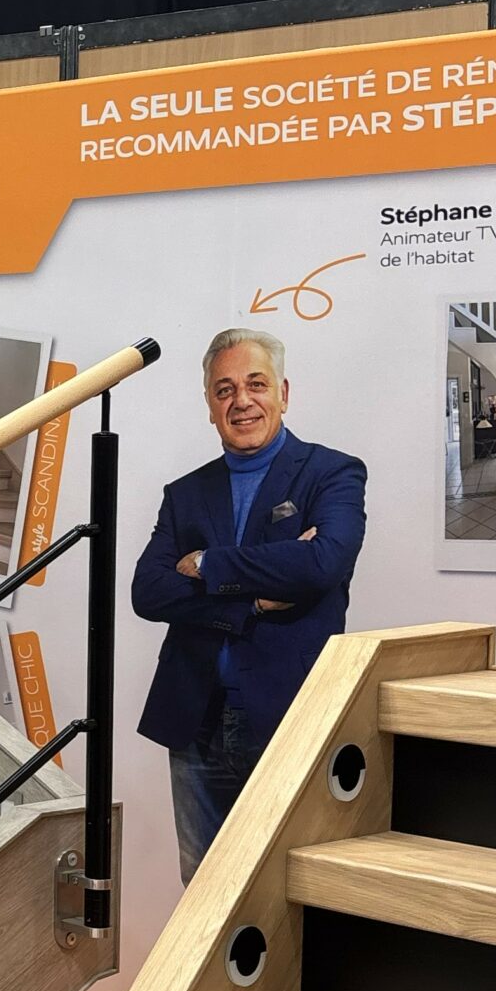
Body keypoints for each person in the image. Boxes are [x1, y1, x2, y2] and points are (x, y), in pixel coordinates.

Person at [132, 327, 367, 879]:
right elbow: (149, 591)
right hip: (195, 719)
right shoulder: (184, 493)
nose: (241, 401)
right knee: (203, 883)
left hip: (288, 713)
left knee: (289, 881)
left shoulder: (332, 473)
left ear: (283, 393)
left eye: (256, 384)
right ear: (210, 406)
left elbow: (321, 564)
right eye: (225, 389)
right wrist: (252, 603)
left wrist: (209, 563)